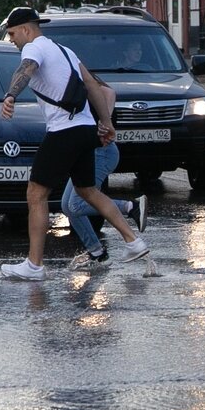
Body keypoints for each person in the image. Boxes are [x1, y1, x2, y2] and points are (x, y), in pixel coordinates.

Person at [0, 6, 149, 280]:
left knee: (36, 194)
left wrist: (10, 95)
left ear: (26, 29)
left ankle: (34, 265)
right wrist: (106, 122)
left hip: (63, 131)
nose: (11, 39)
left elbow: (25, 69)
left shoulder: (33, 48)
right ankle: (133, 242)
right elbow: (93, 85)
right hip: (84, 129)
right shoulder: (64, 50)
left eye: (11, 33)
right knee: (88, 191)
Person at [63, 74, 148, 271]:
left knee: (75, 205)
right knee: (68, 206)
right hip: (87, 153)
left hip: (101, 153)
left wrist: (104, 119)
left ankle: (130, 206)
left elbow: (108, 92)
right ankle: (97, 253)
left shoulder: (75, 73)